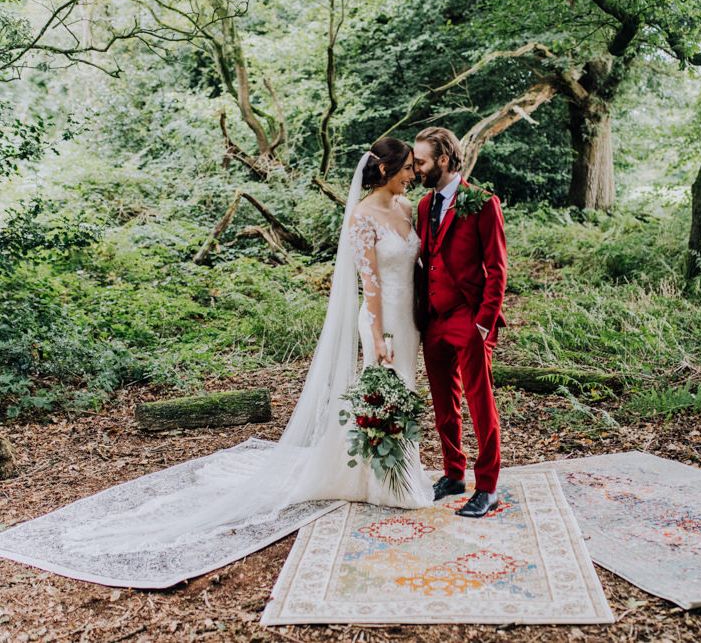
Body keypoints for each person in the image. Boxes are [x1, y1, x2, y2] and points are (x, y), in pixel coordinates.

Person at [0, 139, 432, 587]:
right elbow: (371, 282)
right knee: (385, 388)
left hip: (409, 318)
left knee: (405, 390)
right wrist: (378, 335)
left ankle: (382, 470)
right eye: (404, 168)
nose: (410, 175)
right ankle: (387, 481)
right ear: (382, 169)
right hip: (382, 321)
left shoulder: (406, 208)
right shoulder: (362, 216)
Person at [413, 126, 507, 518]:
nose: (415, 167)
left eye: (421, 161)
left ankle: (487, 487)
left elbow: (497, 269)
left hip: (469, 318)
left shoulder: (483, 203)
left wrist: (484, 323)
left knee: (480, 403)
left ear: (445, 161)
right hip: (433, 319)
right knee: (443, 404)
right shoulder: (422, 206)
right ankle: (453, 473)